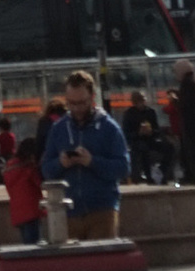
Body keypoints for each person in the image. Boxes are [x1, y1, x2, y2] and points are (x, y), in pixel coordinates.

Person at [40, 69, 131, 239]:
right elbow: (45, 169)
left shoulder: (109, 128)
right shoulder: (58, 129)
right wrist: (61, 163)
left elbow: (123, 168)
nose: (76, 108)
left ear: (92, 98)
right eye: (71, 103)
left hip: (102, 211)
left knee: (101, 263)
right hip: (68, 212)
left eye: (82, 102)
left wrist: (92, 162)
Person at [0, 130, 47, 246]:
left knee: (26, 244)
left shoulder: (10, 168)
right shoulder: (29, 169)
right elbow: (39, 183)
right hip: (32, 211)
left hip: (17, 213)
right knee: (35, 246)